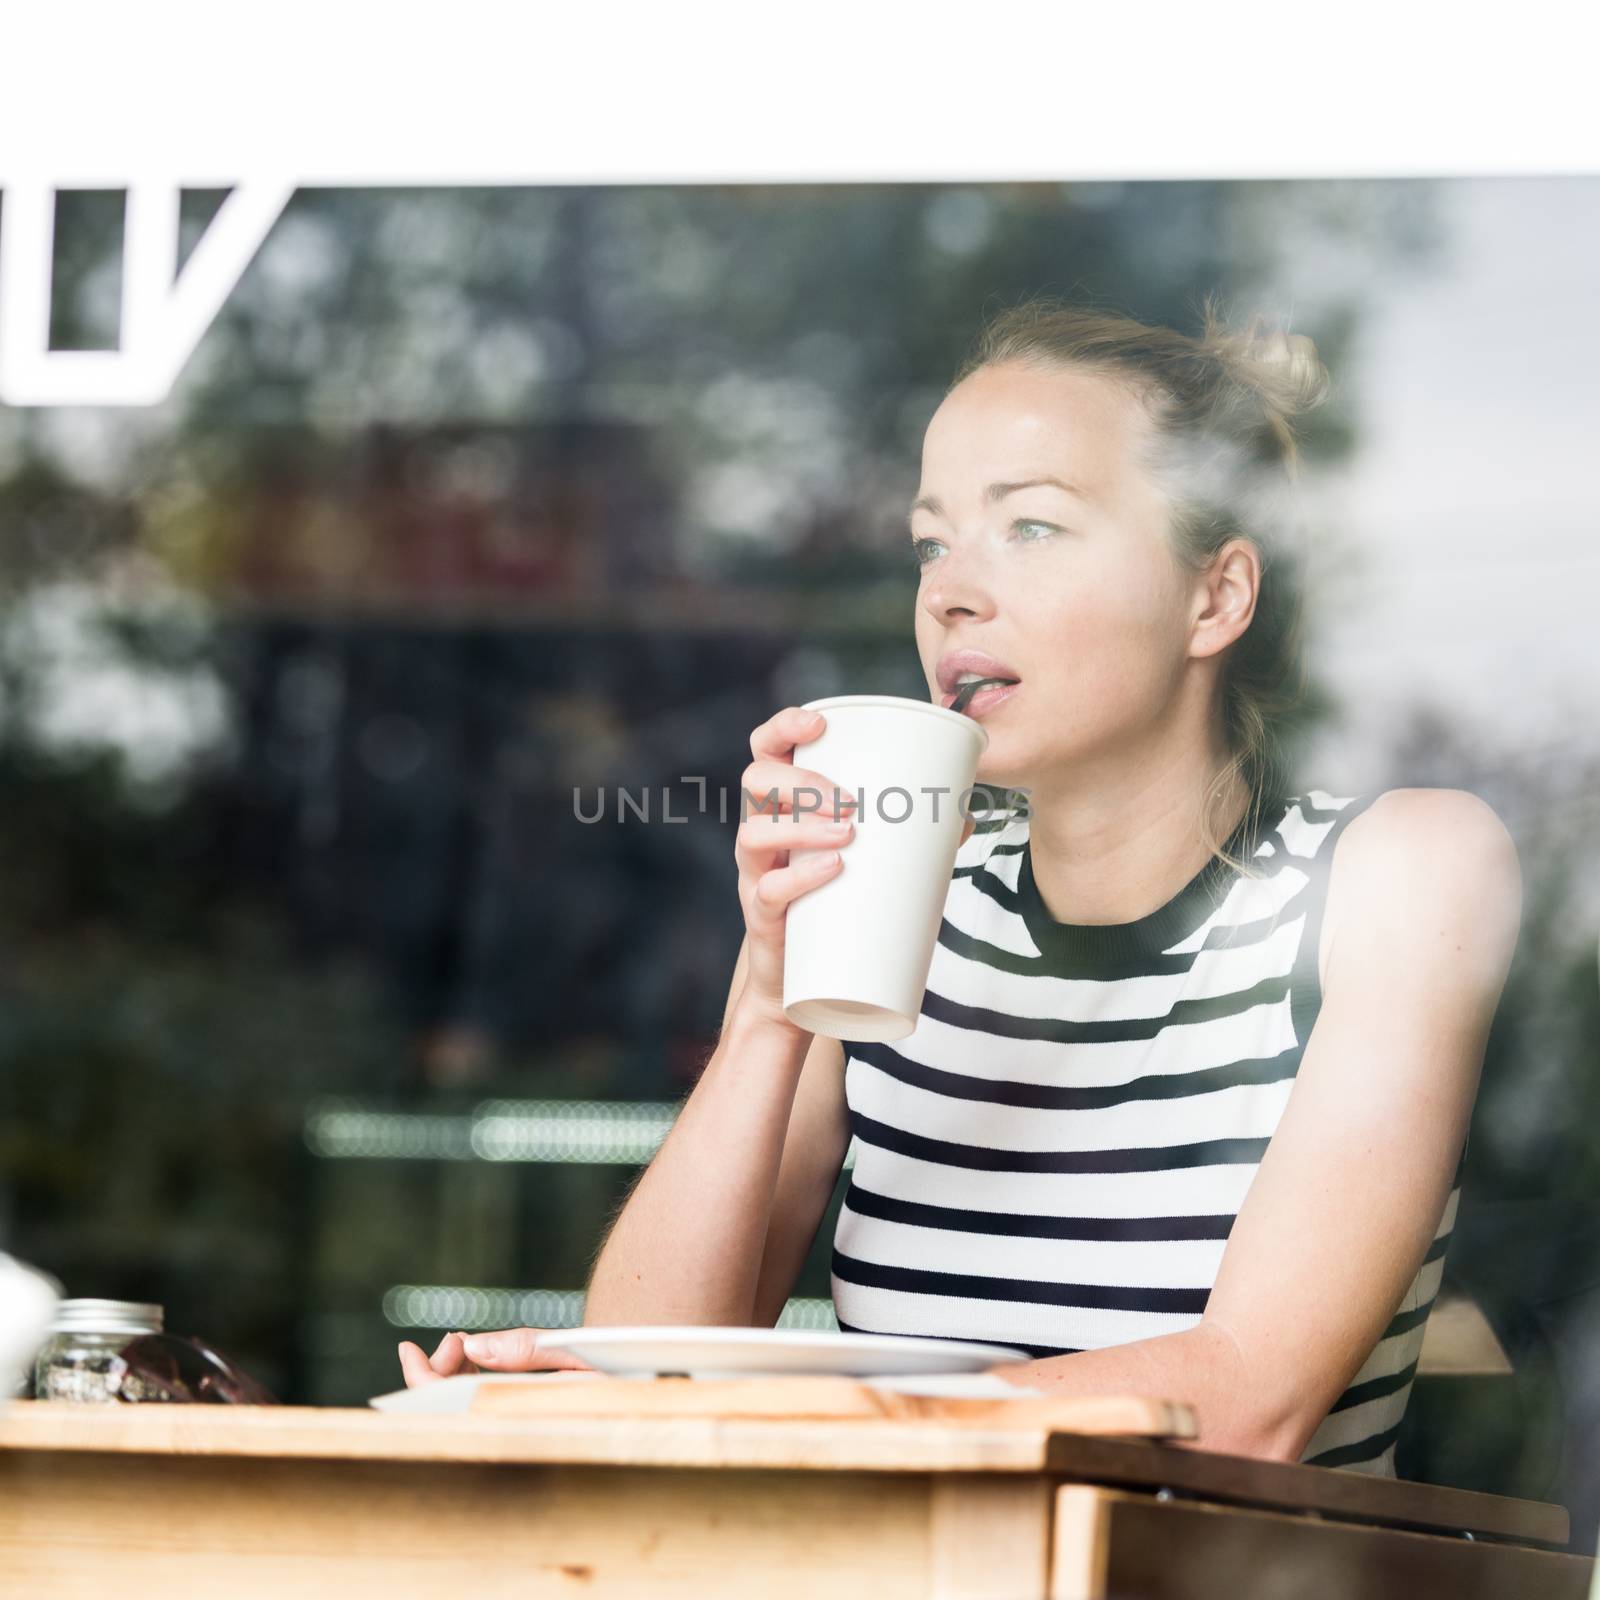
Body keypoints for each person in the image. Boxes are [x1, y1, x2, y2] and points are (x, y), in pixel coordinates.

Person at [399, 293, 1521, 1477]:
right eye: (932, 542)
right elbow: (647, 1363)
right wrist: (772, 1001)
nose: (950, 592)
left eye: (1028, 528)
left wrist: (786, 1416)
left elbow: (1246, 1398)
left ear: (1215, 597)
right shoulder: (896, 898)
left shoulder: (1400, 874)